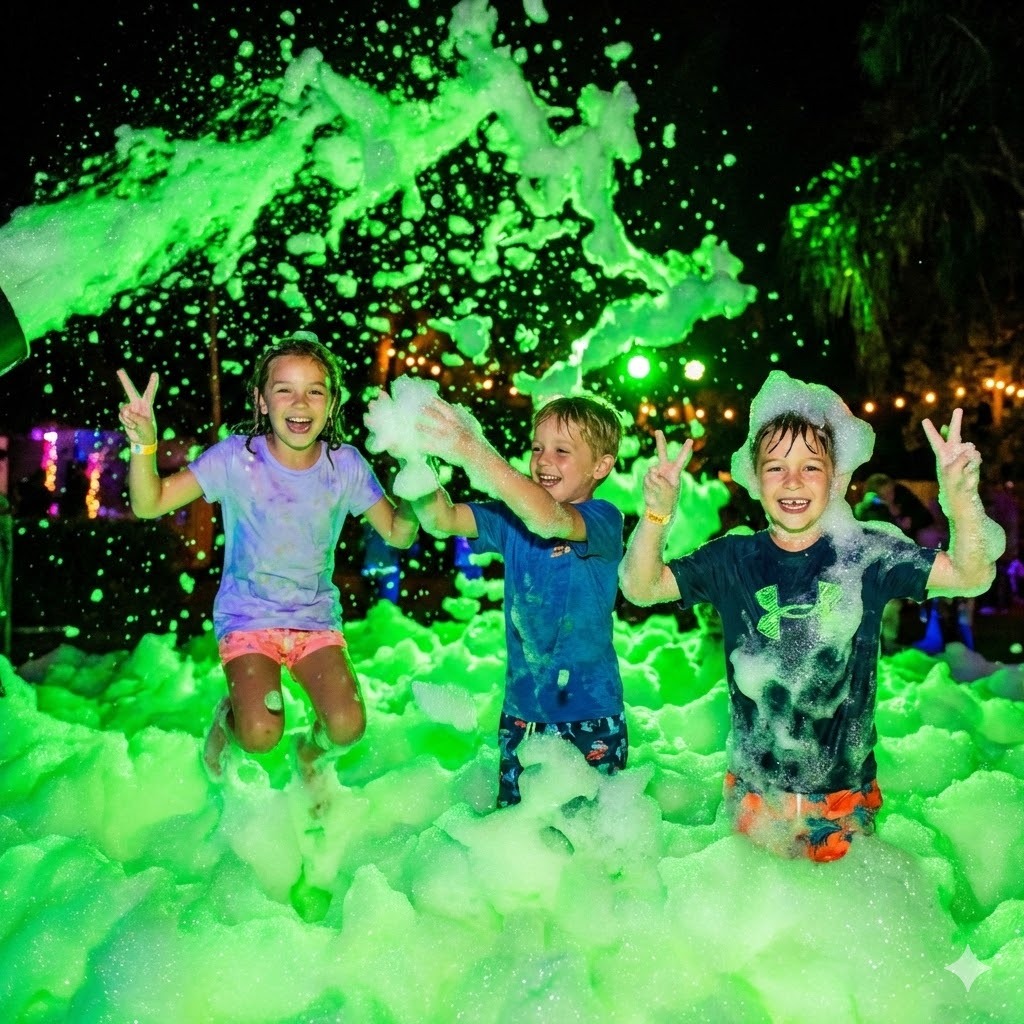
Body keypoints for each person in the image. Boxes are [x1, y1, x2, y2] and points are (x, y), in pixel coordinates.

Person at [620, 371, 1003, 862]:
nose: (793, 481)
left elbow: (972, 574)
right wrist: (657, 514)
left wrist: (961, 498)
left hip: (845, 796)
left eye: (811, 467)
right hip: (756, 795)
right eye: (776, 467)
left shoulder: (862, 555)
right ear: (755, 481)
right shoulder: (732, 560)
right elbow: (641, 586)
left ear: (837, 477)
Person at [117, 333, 418, 781]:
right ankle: (229, 719)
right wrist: (145, 445)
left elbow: (398, 533)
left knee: (347, 728)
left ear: (332, 404)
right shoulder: (237, 459)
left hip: (314, 620)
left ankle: (310, 755)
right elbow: (149, 503)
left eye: (315, 391)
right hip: (248, 618)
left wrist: (417, 484)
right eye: (285, 390)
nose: (301, 403)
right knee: (260, 734)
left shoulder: (346, 465)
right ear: (261, 401)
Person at [407, 392, 626, 807]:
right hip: (521, 711)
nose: (544, 460)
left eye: (562, 451)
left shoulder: (602, 518)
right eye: (537, 448)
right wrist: (412, 457)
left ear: (601, 465)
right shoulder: (511, 521)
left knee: (590, 837)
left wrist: (472, 449)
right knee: (519, 836)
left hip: (589, 712)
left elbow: (548, 519)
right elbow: (440, 519)